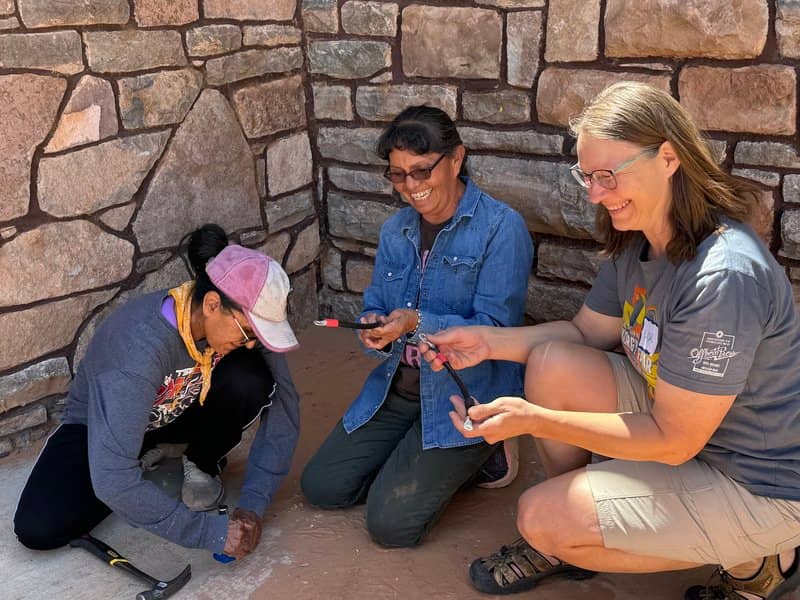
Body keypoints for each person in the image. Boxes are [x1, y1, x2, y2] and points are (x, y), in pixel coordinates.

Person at [420, 82, 800, 599]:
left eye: (608, 175)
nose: (595, 195)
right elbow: (583, 333)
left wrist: (534, 420)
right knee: (553, 363)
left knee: (540, 516)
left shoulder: (723, 275)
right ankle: (586, 530)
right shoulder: (641, 239)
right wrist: (487, 342)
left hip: (758, 482)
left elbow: (674, 439)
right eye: (587, 176)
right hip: (691, 427)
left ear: (669, 158)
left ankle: (757, 563)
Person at [301, 105, 534, 547]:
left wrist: (417, 321)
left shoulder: (501, 229)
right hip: (400, 386)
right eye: (398, 175)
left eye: (422, 171)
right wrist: (372, 329)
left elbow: (497, 331)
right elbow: (376, 306)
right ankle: (416, 456)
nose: (411, 187)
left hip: (464, 395)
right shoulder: (397, 231)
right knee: (323, 487)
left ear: (457, 159)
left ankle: (492, 451)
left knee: (390, 526)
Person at [14, 224, 301, 561]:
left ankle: (198, 458)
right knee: (39, 526)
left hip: (171, 414)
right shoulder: (137, 350)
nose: (252, 343)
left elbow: (285, 404)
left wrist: (253, 503)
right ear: (212, 305)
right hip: (103, 425)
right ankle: (132, 463)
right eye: (249, 333)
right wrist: (208, 532)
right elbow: (112, 481)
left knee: (251, 378)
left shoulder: (236, 315)